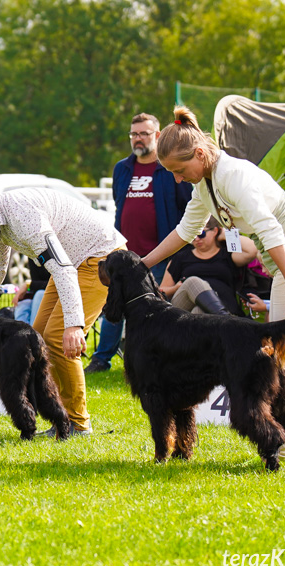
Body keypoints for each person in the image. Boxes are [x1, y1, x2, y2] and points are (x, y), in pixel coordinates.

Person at [141, 106, 285, 458]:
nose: (180, 179)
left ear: (199, 154)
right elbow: (184, 232)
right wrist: (144, 263)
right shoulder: (206, 184)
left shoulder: (234, 177)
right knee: (281, 358)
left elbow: (273, 235)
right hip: (282, 266)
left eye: (180, 171)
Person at [0, 179, 126, 437]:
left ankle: (78, 424)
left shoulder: (22, 214)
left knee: (58, 338)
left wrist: (74, 325)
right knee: (36, 340)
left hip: (100, 259)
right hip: (71, 265)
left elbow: (61, 268)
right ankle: (61, 421)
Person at [86, 113, 192, 374]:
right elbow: (119, 204)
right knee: (113, 301)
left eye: (144, 133)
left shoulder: (169, 166)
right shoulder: (122, 168)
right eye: (134, 134)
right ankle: (101, 359)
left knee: (149, 309)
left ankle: (150, 357)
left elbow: (187, 206)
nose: (138, 139)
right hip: (123, 254)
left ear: (157, 136)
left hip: (159, 254)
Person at [159, 218, 257, 315]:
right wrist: (176, 288)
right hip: (184, 308)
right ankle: (225, 318)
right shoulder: (181, 258)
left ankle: (222, 317)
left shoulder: (226, 255)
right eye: (193, 235)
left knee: (200, 311)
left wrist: (224, 233)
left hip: (215, 307)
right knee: (192, 281)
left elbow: (251, 250)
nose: (196, 239)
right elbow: (161, 291)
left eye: (201, 234)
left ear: (215, 231)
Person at [12, 259, 50, 325]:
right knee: (23, 304)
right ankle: (20, 333)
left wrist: (28, 285)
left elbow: (57, 283)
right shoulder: (33, 258)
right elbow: (35, 280)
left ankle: (34, 331)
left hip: (51, 295)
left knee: (40, 294)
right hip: (38, 297)